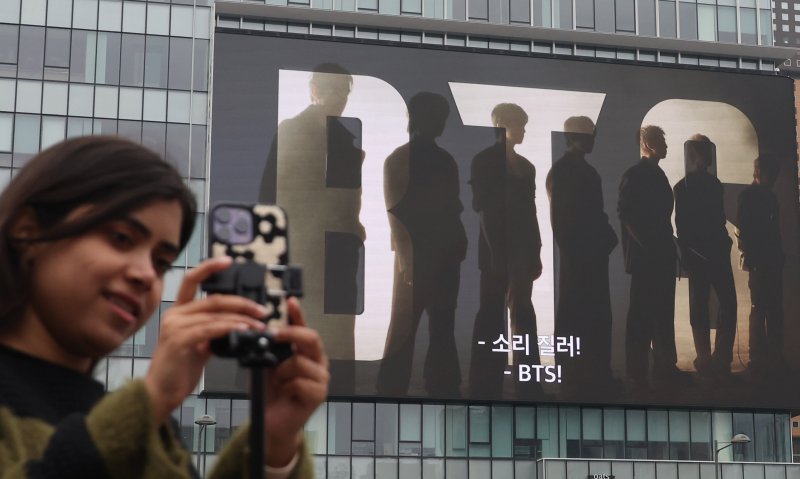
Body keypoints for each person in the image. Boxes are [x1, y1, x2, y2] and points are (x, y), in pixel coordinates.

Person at [0, 136, 327, 478]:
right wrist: (150, 399)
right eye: (121, 238)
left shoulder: (152, 431)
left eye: (161, 262)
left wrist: (273, 442)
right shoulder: (140, 417)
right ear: (27, 232)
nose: (146, 274)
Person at [260, 64, 363, 392]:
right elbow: (270, 193)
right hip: (302, 250)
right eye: (332, 90)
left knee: (337, 344)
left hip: (338, 254)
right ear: (314, 90)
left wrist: (354, 229)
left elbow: (348, 200)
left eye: (344, 92)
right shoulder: (293, 130)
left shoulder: (346, 138)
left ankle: (339, 395)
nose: (339, 98)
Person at [377, 92, 467, 397]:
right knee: (423, 325)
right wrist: (406, 256)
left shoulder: (417, 159)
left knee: (432, 325)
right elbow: (396, 212)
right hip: (421, 256)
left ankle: (404, 385)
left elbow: (450, 208)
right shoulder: (414, 159)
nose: (442, 123)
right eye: (438, 117)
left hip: (435, 255)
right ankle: (426, 384)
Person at [468, 103, 543, 400]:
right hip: (498, 252)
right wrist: (496, 253)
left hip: (519, 252)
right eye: (519, 124)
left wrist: (536, 250)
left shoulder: (525, 166)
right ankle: (486, 386)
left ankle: (526, 384)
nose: (524, 130)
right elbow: (485, 210)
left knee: (520, 314)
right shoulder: (485, 161)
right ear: (502, 124)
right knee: (492, 315)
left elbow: (530, 212)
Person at [546, 116, 618, 395]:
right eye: (589, 135)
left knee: (584, 315)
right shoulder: (573, 172)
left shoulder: (569, 170)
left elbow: (569, 219)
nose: (593, 140)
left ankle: (584, 374)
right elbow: (565, 222)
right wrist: (601, 242)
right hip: (582, 257)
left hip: (585, 255)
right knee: (583, 315)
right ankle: (581, 375)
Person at [618, 125, 684, 389]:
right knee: (645, 315)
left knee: (658, 314)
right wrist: (650, 246)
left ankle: (658, 369)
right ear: (647, 144)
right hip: (649, 258)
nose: (666, 145)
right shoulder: (639, 175)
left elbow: (630, 215)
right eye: (661, 141)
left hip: (657, 255)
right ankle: (642, 372)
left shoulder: (649, 174)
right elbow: (627, 215)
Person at [673, 134, 737, 378]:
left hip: (704, 253)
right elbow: (687, 226)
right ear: (694, 155)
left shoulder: (688, 186)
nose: (708, 156)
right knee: (714, 304)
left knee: (705, 304)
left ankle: (710, 359)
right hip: (708, 253)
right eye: (704, 151)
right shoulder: (703, 185)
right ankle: (714, 359)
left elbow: (685, 226)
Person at [736, 154, 787, 377]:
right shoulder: (764, 197)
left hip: (763, 260)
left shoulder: (751, 196)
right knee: (769, 309)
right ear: (762, 173)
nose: (774, 178)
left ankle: (760, 358)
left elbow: (744, 230)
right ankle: (767, 357)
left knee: (762, 308)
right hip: (766, 260)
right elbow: (760, 231)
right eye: (772, 174)